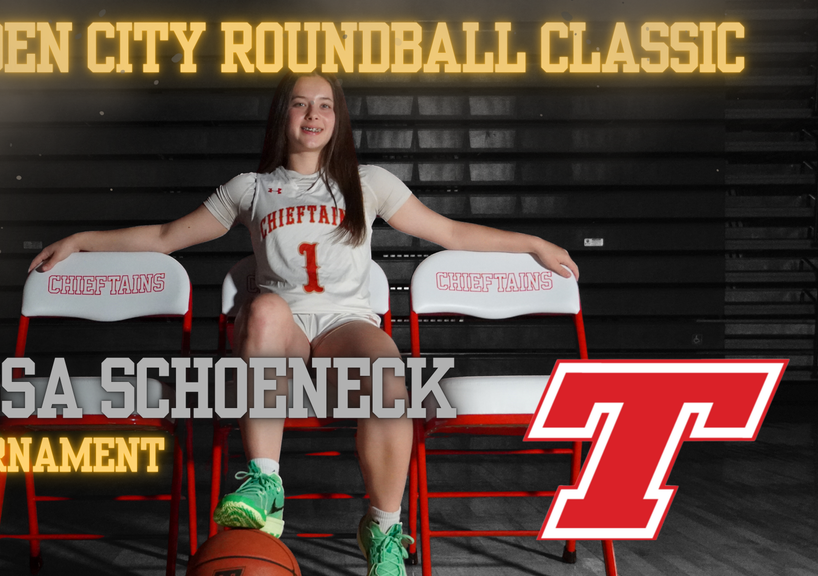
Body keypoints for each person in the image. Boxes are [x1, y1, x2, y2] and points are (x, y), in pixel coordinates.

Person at [29, 71, 578, 576]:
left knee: (389, 374)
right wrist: (82, 240)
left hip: (345, 328)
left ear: (337, 121)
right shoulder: (251, 188)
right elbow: (166, 238)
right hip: (281, 333)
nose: (312, 115)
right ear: (282, 117)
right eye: (300, 104)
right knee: (263, 307)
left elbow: (451, 233)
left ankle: (384, 532)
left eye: (325, 106)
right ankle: (266, 483)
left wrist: (532, 243)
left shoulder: (371, 183)